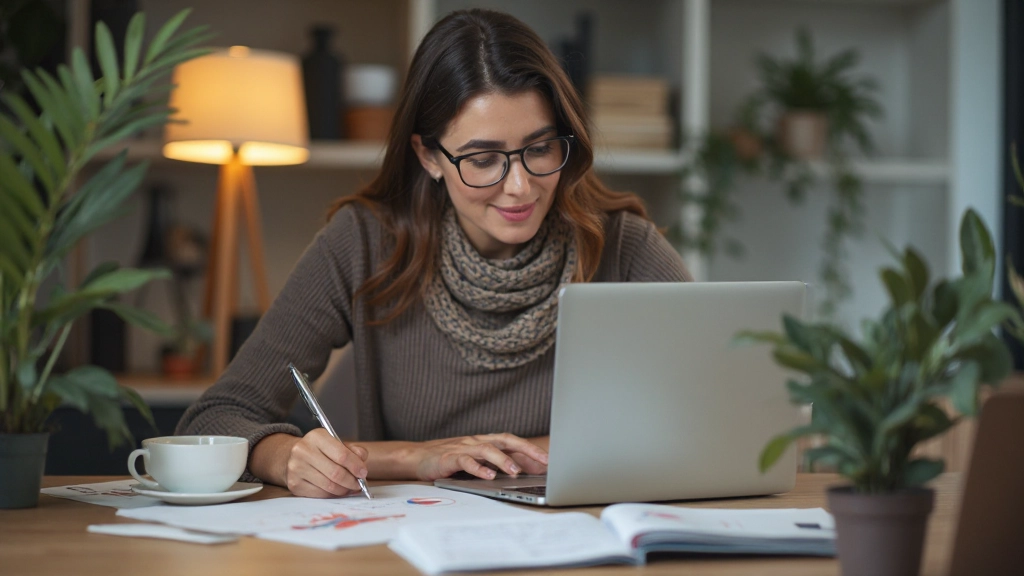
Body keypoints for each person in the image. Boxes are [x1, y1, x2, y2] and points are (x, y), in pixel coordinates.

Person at [176, 8, 691, 498]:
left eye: (539, 149)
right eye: (484, 159)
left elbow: (721, 414)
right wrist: (303, 457)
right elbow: (216, 417)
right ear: (428, 155)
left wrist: (526, 454)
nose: (520, 186)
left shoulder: (624, 246)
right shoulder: (362, 243)